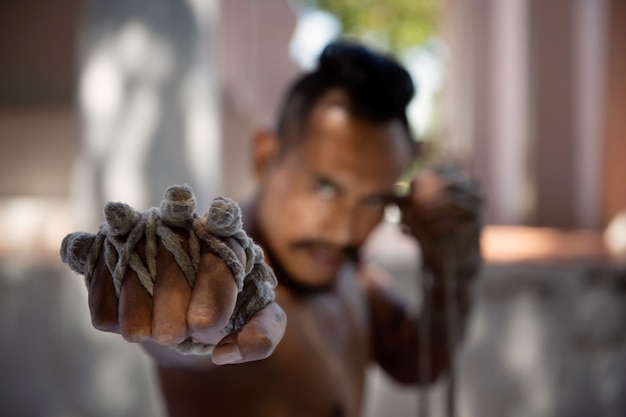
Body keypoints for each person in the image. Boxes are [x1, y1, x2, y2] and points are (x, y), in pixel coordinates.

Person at [81, 41, 482, 417]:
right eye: (326, 187)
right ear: (265, 155)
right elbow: (192, 333)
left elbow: (418, 361)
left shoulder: (348, 272)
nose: (345, 230)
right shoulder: (229, 285)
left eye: (374, 200)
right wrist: (172, 293)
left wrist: (455, 270)